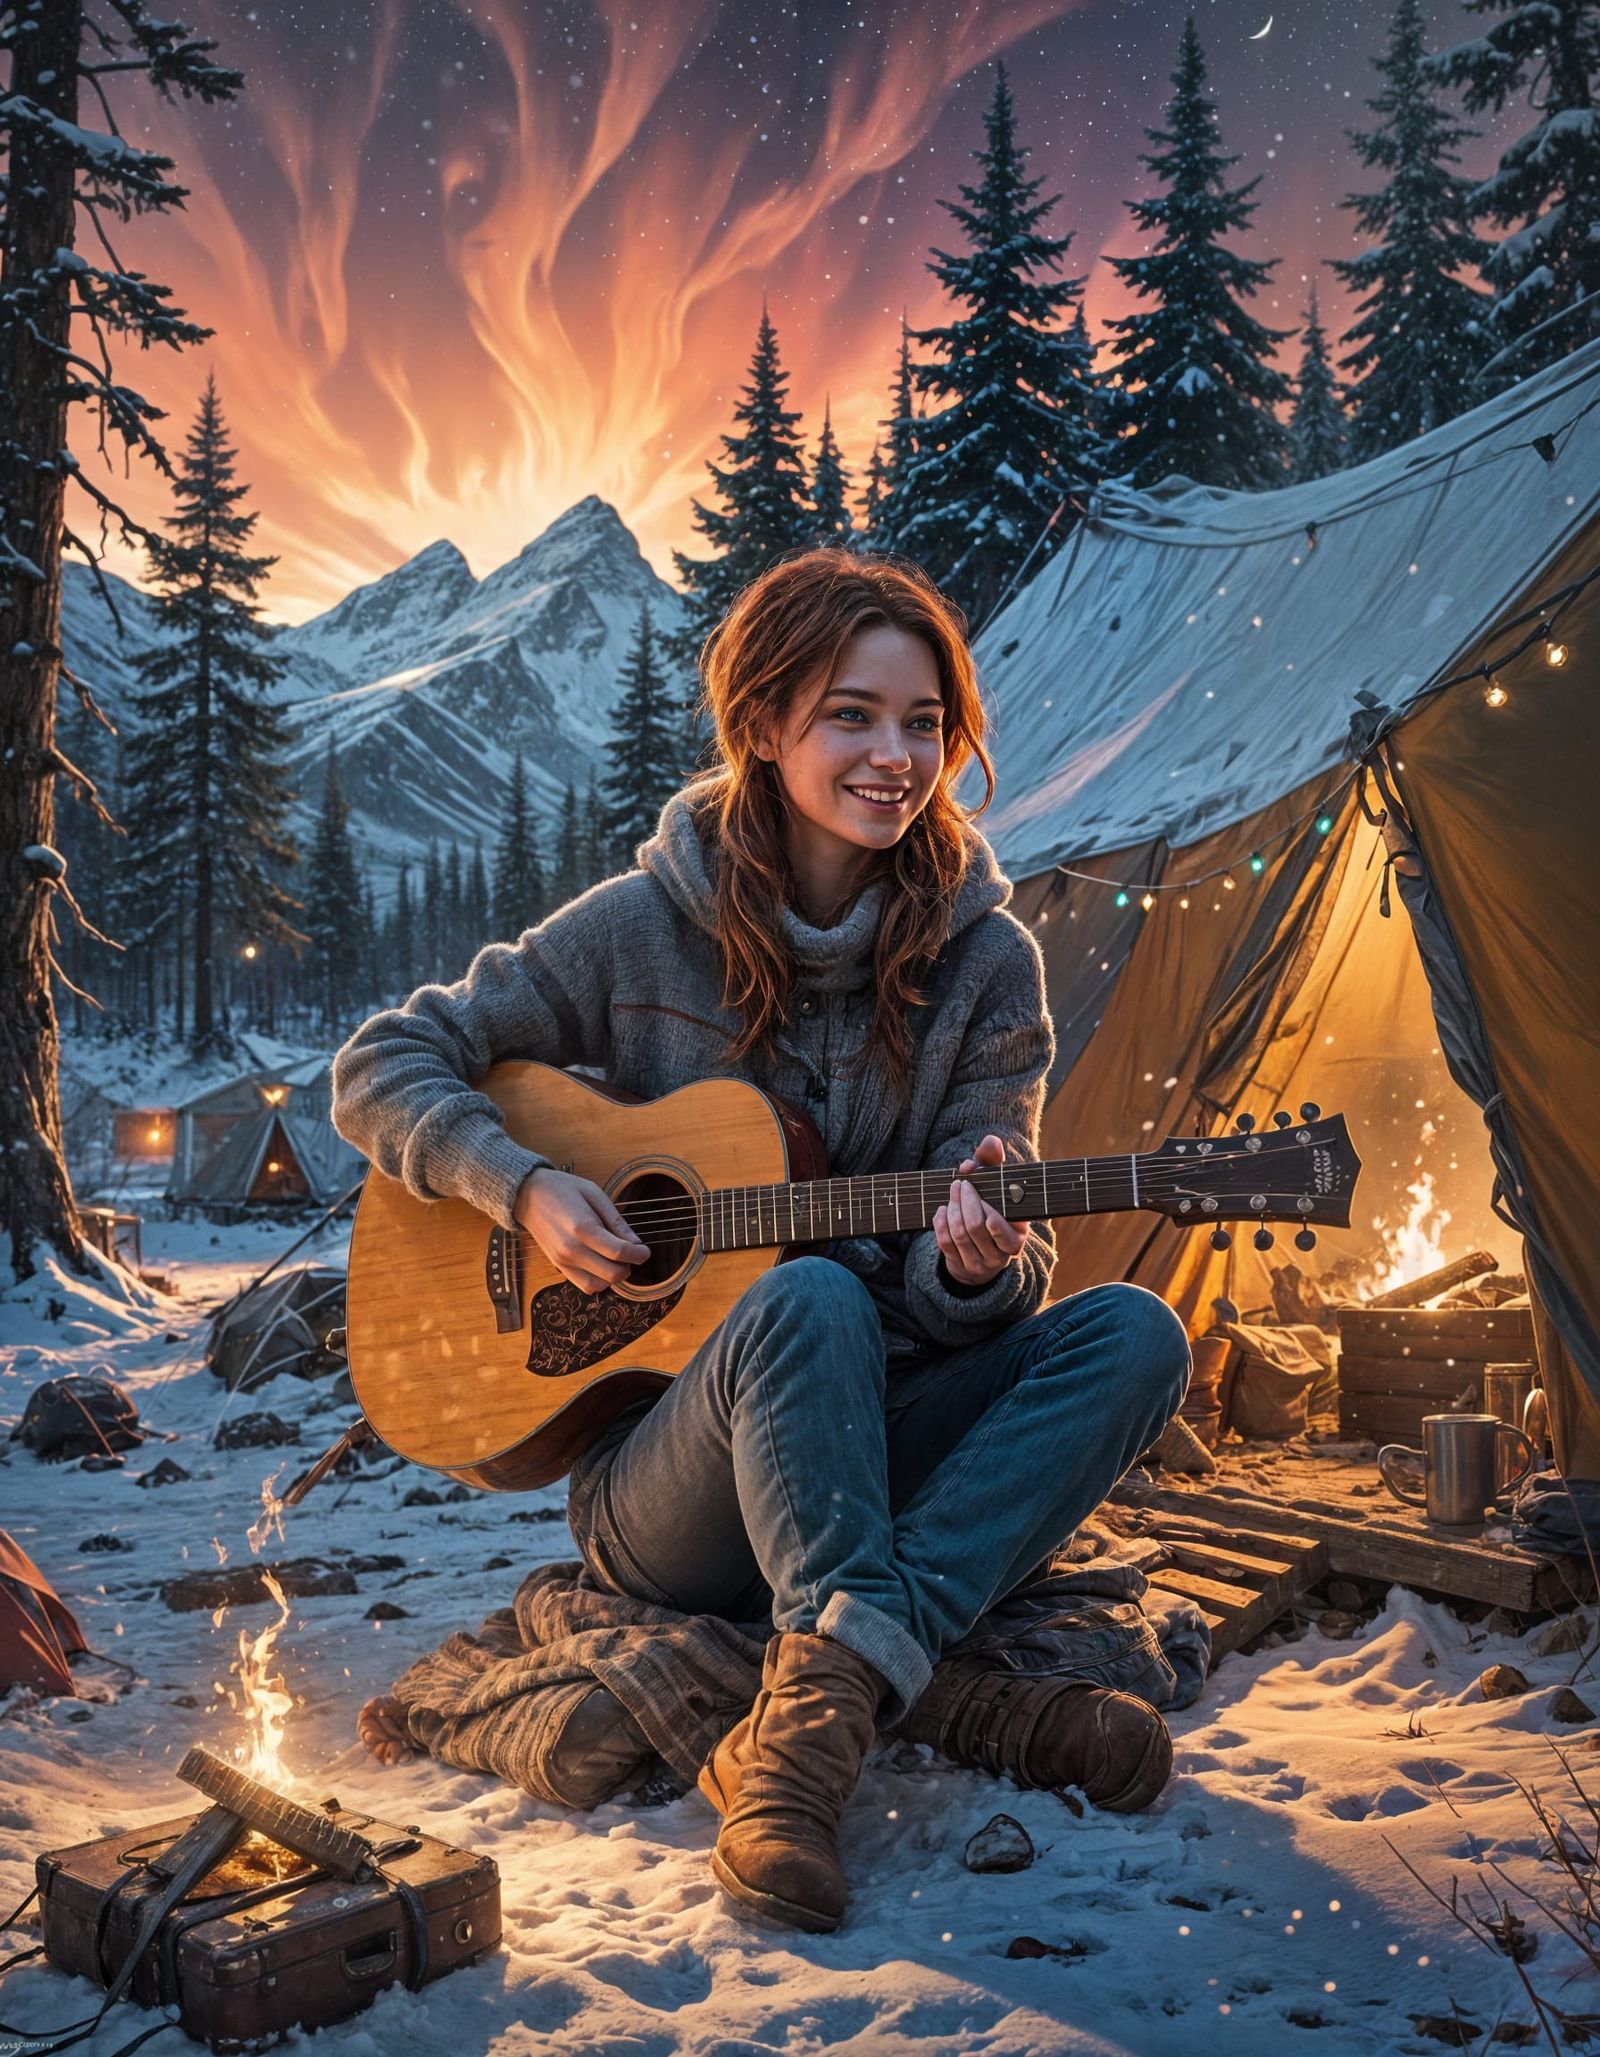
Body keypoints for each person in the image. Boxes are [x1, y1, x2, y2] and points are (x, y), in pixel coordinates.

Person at [333, 550, 1190, 1934]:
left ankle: (810, 1717)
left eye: (924, 724)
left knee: (1137, 1334)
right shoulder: (636, 932)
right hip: (670, 1489)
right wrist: (524, 1185)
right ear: (764, 723)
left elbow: (996, 1236)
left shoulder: (990, 966)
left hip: (889, 1425)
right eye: (853, 714)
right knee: (802, 1300)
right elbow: (383, 1058)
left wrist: (973, 1268)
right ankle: (947, 1687)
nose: (893, 755)